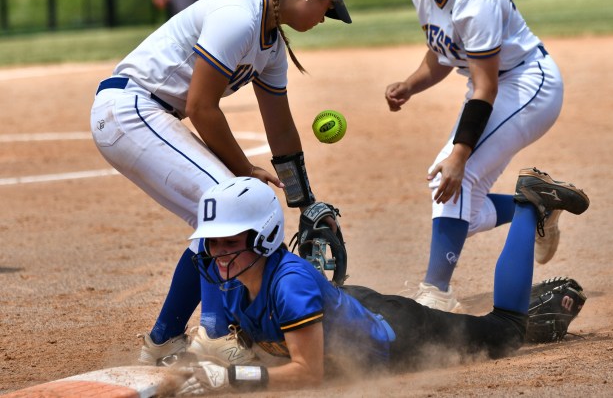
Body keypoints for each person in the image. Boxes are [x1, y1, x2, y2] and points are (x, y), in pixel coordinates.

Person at [90, 0, 352, 366]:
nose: (325, 17)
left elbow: (280, 132)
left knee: (221, 209)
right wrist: (244, 170)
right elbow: (201, 106)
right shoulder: (239, 18)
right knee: (227, 202)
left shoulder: (272, 46)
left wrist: (306, 202)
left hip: (147, 114)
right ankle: (213, 336)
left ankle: (164, 339)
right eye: (328, 8)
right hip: (129, 109)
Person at [176, 168, 588, 392]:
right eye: (213, 244)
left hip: (399, 334)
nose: (219, 255)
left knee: (507, 331)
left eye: (230, 242)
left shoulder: (288, 285)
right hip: (352, 310)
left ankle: (530, 203)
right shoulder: (229, 276)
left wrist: (232, 378)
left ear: (263, 235)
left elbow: (307, 374)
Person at [384, 0, 566, 312]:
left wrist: (459, 154)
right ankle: (536, 207)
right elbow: (442, 52)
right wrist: (410, 84)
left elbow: (485, 87)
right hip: (498, 86)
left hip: (529, 85)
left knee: (452, 174)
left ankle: (437, 292)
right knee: (459, 208)